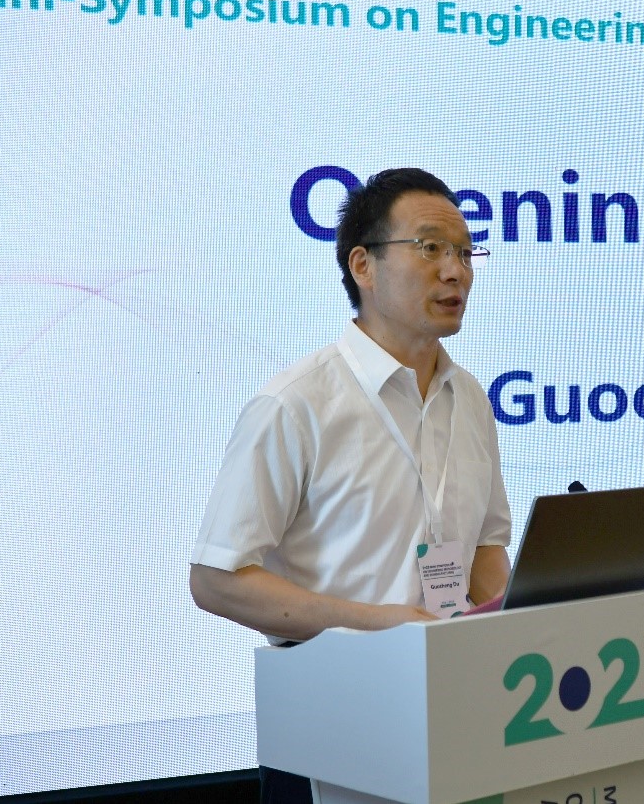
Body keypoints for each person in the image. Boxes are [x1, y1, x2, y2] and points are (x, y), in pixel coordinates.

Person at [189, 168, 512, 802]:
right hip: (331, 723)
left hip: (457, 710)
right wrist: (378, 624)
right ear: (363, 265)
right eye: (431, 248)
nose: (456, 272)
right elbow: (216, 578)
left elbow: (485, 548)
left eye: (465, 252)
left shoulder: (471, 399)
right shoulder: (296, 403)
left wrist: (517, 626)